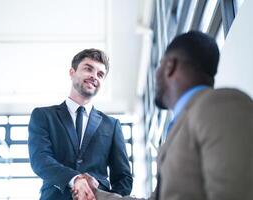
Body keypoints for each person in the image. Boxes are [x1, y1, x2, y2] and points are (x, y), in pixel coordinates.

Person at [95, 31, 253, 200]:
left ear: (170, 65)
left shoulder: (222, 105)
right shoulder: (181, 125)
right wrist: (96, 193)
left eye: (160, 65)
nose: (156, 75)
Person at [28, 48, 133, 200]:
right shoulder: (43, 116)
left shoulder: (112, 125)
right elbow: (40, 160)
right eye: (88, 69)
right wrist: (75, 179)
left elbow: (123, 177)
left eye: (100, 74)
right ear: (72, 72)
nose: (94, 76)